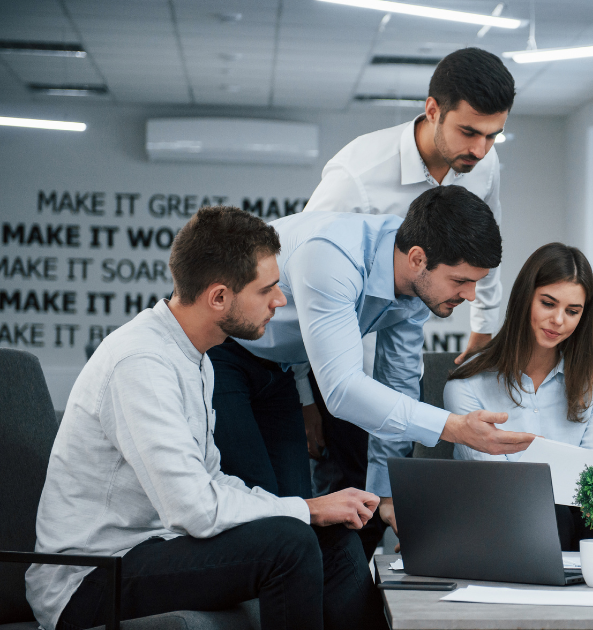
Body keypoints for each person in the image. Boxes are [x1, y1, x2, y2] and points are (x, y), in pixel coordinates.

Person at [26, 207, 387, 630]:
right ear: (218, 297)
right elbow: (194, 510)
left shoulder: (196, 357)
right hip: (91, 578)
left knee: (334, 536)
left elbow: (212, 481)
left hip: (155, 548)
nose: (281, 300)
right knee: (290, 542)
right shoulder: (140, 362)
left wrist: (316, 512)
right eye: (267, 289)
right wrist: (305, 508)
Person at [208, 186, 535, 557]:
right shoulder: (332, 257)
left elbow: (399, 384)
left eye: (477, 281)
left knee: (295, 516)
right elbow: (343, 390)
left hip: (281, 365)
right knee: (268, 515)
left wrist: (386, 493)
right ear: (417, 258)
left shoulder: (415, 284)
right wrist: (455, 427)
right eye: (461, 281)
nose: (472, 295)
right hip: (226, 350)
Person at [297, 46, 515, 518]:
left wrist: (485, 322)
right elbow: (292, 290)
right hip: (326, 345)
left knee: (387, 483)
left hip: (399, 328)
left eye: (493, 136)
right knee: (343, 480)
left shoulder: (482, 164)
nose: (479, 150)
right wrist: (302, 394)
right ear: (432, 110)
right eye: (469, 132)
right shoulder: (356, 177)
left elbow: (487, 244)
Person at [443, 242, 593, 550]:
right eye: (548, 303)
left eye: (572, 311)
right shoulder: (468, 385)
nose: (559, 320)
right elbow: (496, 485)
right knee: (547, 510)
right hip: (497, 521)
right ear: (525, 298)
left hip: (574, 524)